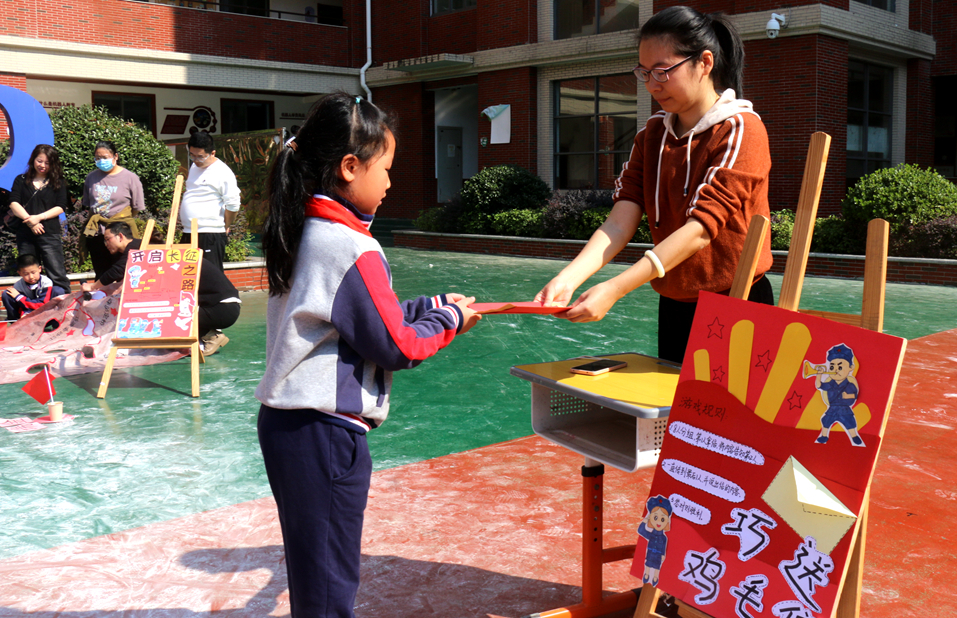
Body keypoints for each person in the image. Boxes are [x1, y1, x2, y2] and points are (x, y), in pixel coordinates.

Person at [254, 92, 480, 618]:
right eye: (387, 169)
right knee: (331, 585)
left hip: (289, 428)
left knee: (316, 574)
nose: (391, 182)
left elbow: (354, 315)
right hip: (326, 434)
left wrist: (429, 305)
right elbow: (398, 344)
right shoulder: (350, 245)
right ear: (350, 167)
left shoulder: (303, 227)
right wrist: (448, 320)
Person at [535, 6, 773, 364]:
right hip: (675, 301)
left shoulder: (741, 129)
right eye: (644, 72)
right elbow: (619, 221)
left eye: (663, 71)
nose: (652, 84)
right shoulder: (651, 136)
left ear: (704, 62)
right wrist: (569, 278)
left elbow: (701, 229)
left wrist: (615, 289)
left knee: (730, 415)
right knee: (678, 416)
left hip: (738, 301)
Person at [8, 144, 72, 293]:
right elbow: (13, 202)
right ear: (33, 160)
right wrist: (30, 222)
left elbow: (61, 206)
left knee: (56, 273)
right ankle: (31, 306)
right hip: (25, 235)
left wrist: (39, 217)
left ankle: (62, 307)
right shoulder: (21, 180)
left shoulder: (59, 182)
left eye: (47, 163)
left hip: (49, 233)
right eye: (39, 161)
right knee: (29, 274)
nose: (42, 165)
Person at [81, 141, 145, 281]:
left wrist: (117, 220)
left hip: (120, 234)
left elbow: (136, 208)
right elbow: (88, 204)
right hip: (97, 232)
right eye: (97, 158)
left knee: (122, 272)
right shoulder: (91, 178)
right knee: (101, 272)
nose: (101, 161)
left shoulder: (130, 178)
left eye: (105, 157)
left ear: (115, 156)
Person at [179, 132, 241, 272]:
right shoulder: (194, 167)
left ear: (212, 153)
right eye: (192, 155)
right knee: (188, 275)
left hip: (210, 232)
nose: (195, 160)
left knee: (210, 276)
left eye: (200, 156)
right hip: (189, 231)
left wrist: (226, 225)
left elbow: (233, 204)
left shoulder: (222, 172)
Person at [80, 221, 142, 292]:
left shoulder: (136, 247)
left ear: (120, 236)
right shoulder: (119, 253)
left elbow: (116, 272)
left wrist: (92, 287)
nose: (106, 244)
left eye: (108, 239)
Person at [2, 253, 67, 321]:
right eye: (26, 274)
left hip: (46, 309)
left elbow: (43, 304)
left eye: (33, 273)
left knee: (58, 290)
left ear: (39, 269)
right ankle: (14, 320)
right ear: (20, 273)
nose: (31, 277)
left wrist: (19, 297)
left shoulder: (46, 282)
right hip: (27, 309)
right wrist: (24, 313)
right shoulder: (18, 286)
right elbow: (21, 305)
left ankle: (57, 319)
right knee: (7, 293)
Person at [196, 258, 241, 356]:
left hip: (221, 309)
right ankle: (207, 335)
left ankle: (211, 336)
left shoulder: (181, 263)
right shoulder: (188, 258)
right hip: (226, 307)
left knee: (177, 312)